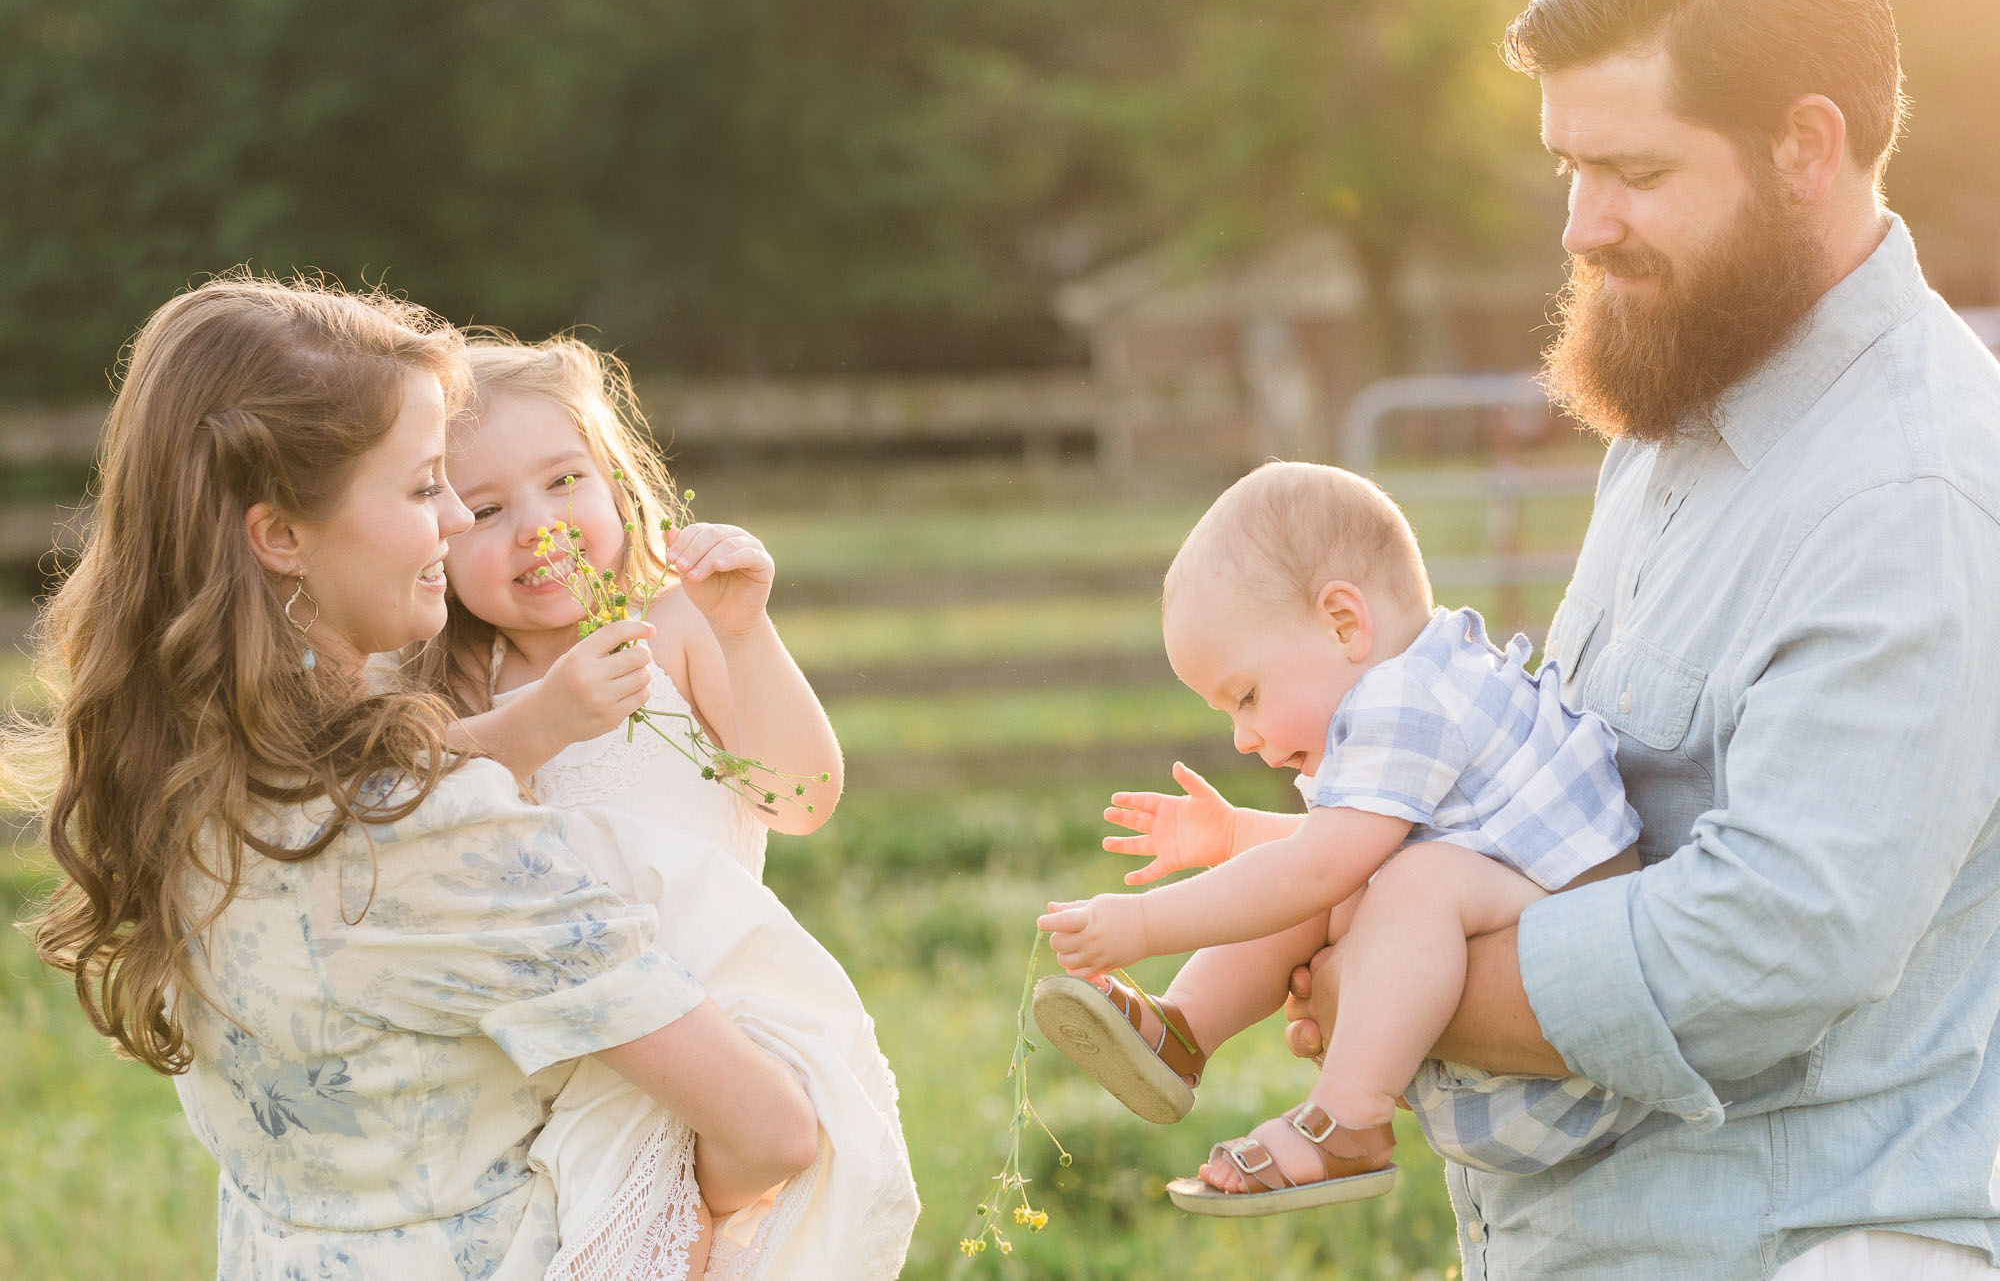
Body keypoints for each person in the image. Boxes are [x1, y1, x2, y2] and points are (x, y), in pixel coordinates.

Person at [1275, 0, 2000, 1276]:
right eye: (1569, 165)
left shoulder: (1915, 490)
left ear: (1805, 146)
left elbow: (1782, 935)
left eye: (1635, 173)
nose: (1579, 224)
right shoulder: (1692, 396)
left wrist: (1408, 978)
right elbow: (1569, 797)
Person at [7, 275, 819, 1280]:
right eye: (426, 486)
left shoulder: (183, 765)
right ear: (280, 535)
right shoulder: (436, 826)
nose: (456, 522)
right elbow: (773, 1133)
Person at [400, 334, 915, 1279]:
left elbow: (801, 797)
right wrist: (541, 718)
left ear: (616, 479)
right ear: (430, 530)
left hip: (718, 1010)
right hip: (576, 1045)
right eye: (484, 508)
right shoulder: (460, 679)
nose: (537, 526)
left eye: (563, 481)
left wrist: (744, 630)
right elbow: (439, 827)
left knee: (676, 1228)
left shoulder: (675, 624)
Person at [1033, 462, 1645, 1214]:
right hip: (1521, 983)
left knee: (1393, 882)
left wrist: (1144, 922)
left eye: (1247, 696)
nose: (1246, 737)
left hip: (1572, 1045)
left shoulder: (1406, 696)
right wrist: (1233, 833)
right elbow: (1338, 853)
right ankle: (1182, 1027)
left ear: (1344, 622)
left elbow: (1318, 867)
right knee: (1352, 875)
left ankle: (1349, 1120)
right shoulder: (1421, 678)